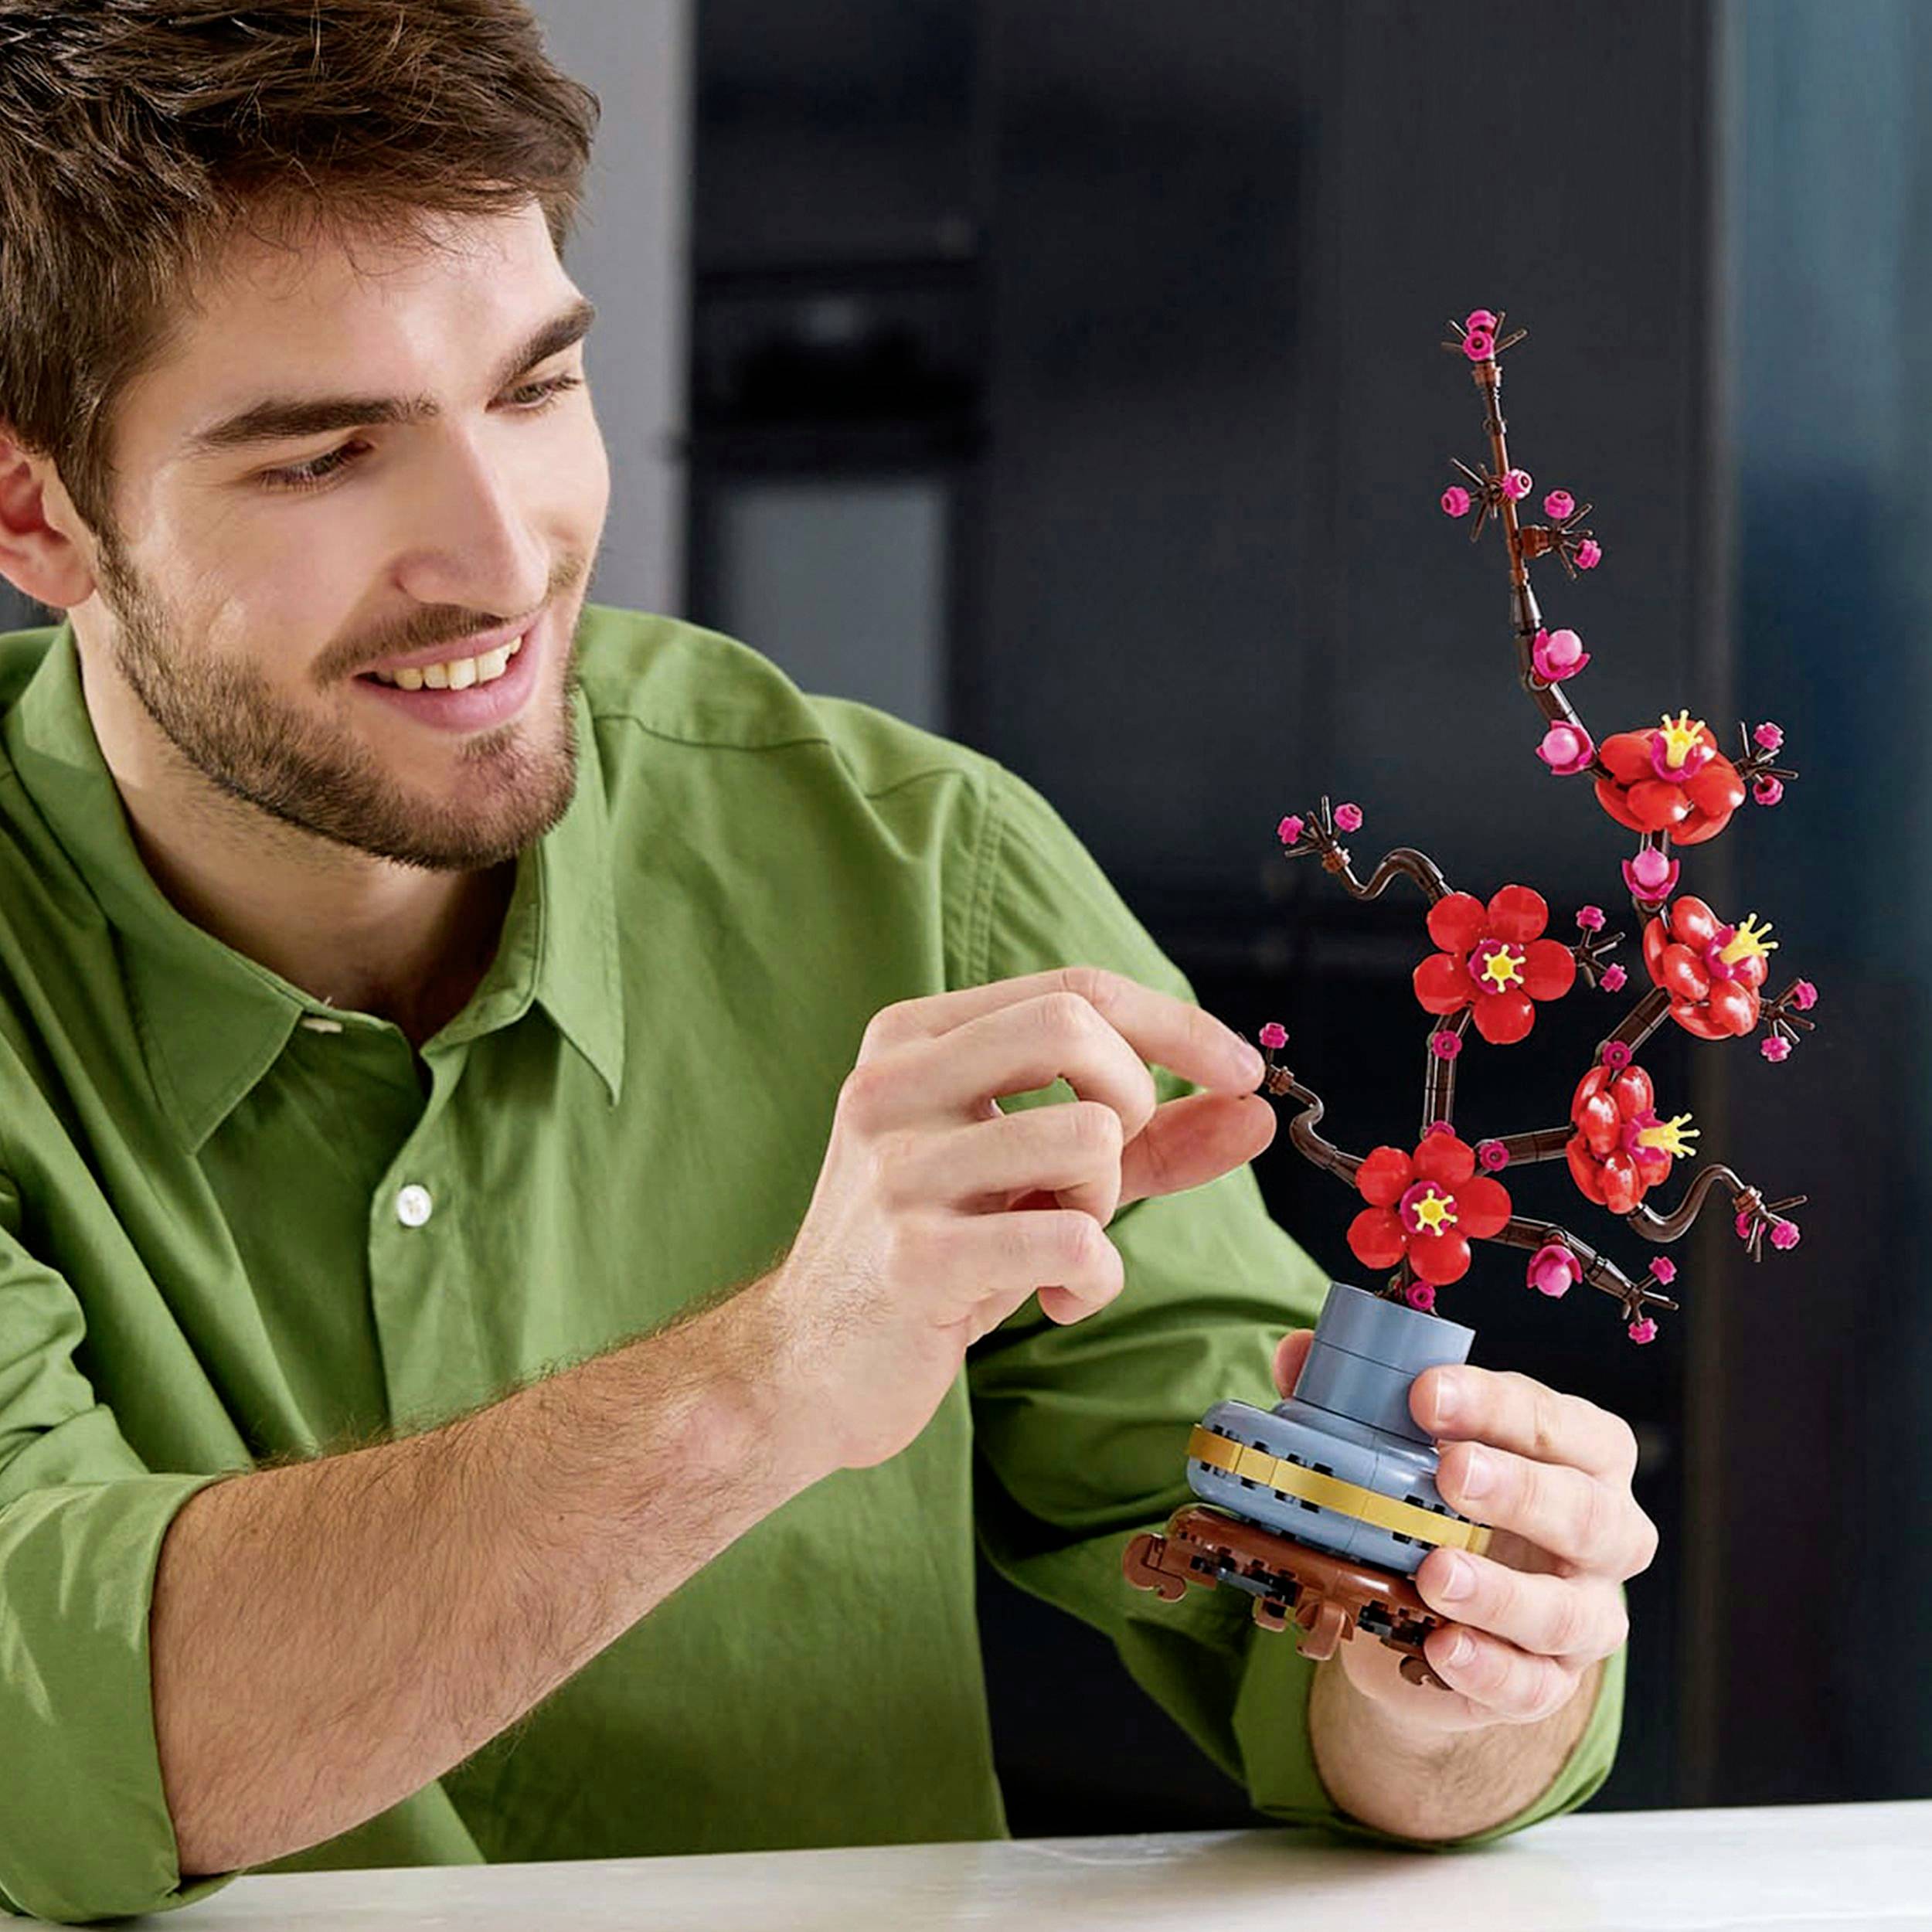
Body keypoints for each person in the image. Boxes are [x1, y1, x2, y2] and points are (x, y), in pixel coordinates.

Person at [0, 2, 1648, 1921]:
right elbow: (58, 1735)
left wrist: (1461, 1666)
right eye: (324, 457)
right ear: (39, 510)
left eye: (534, 391)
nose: (499, 554)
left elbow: (1308, 1657)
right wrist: (771, 1376)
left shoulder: (916, 866)